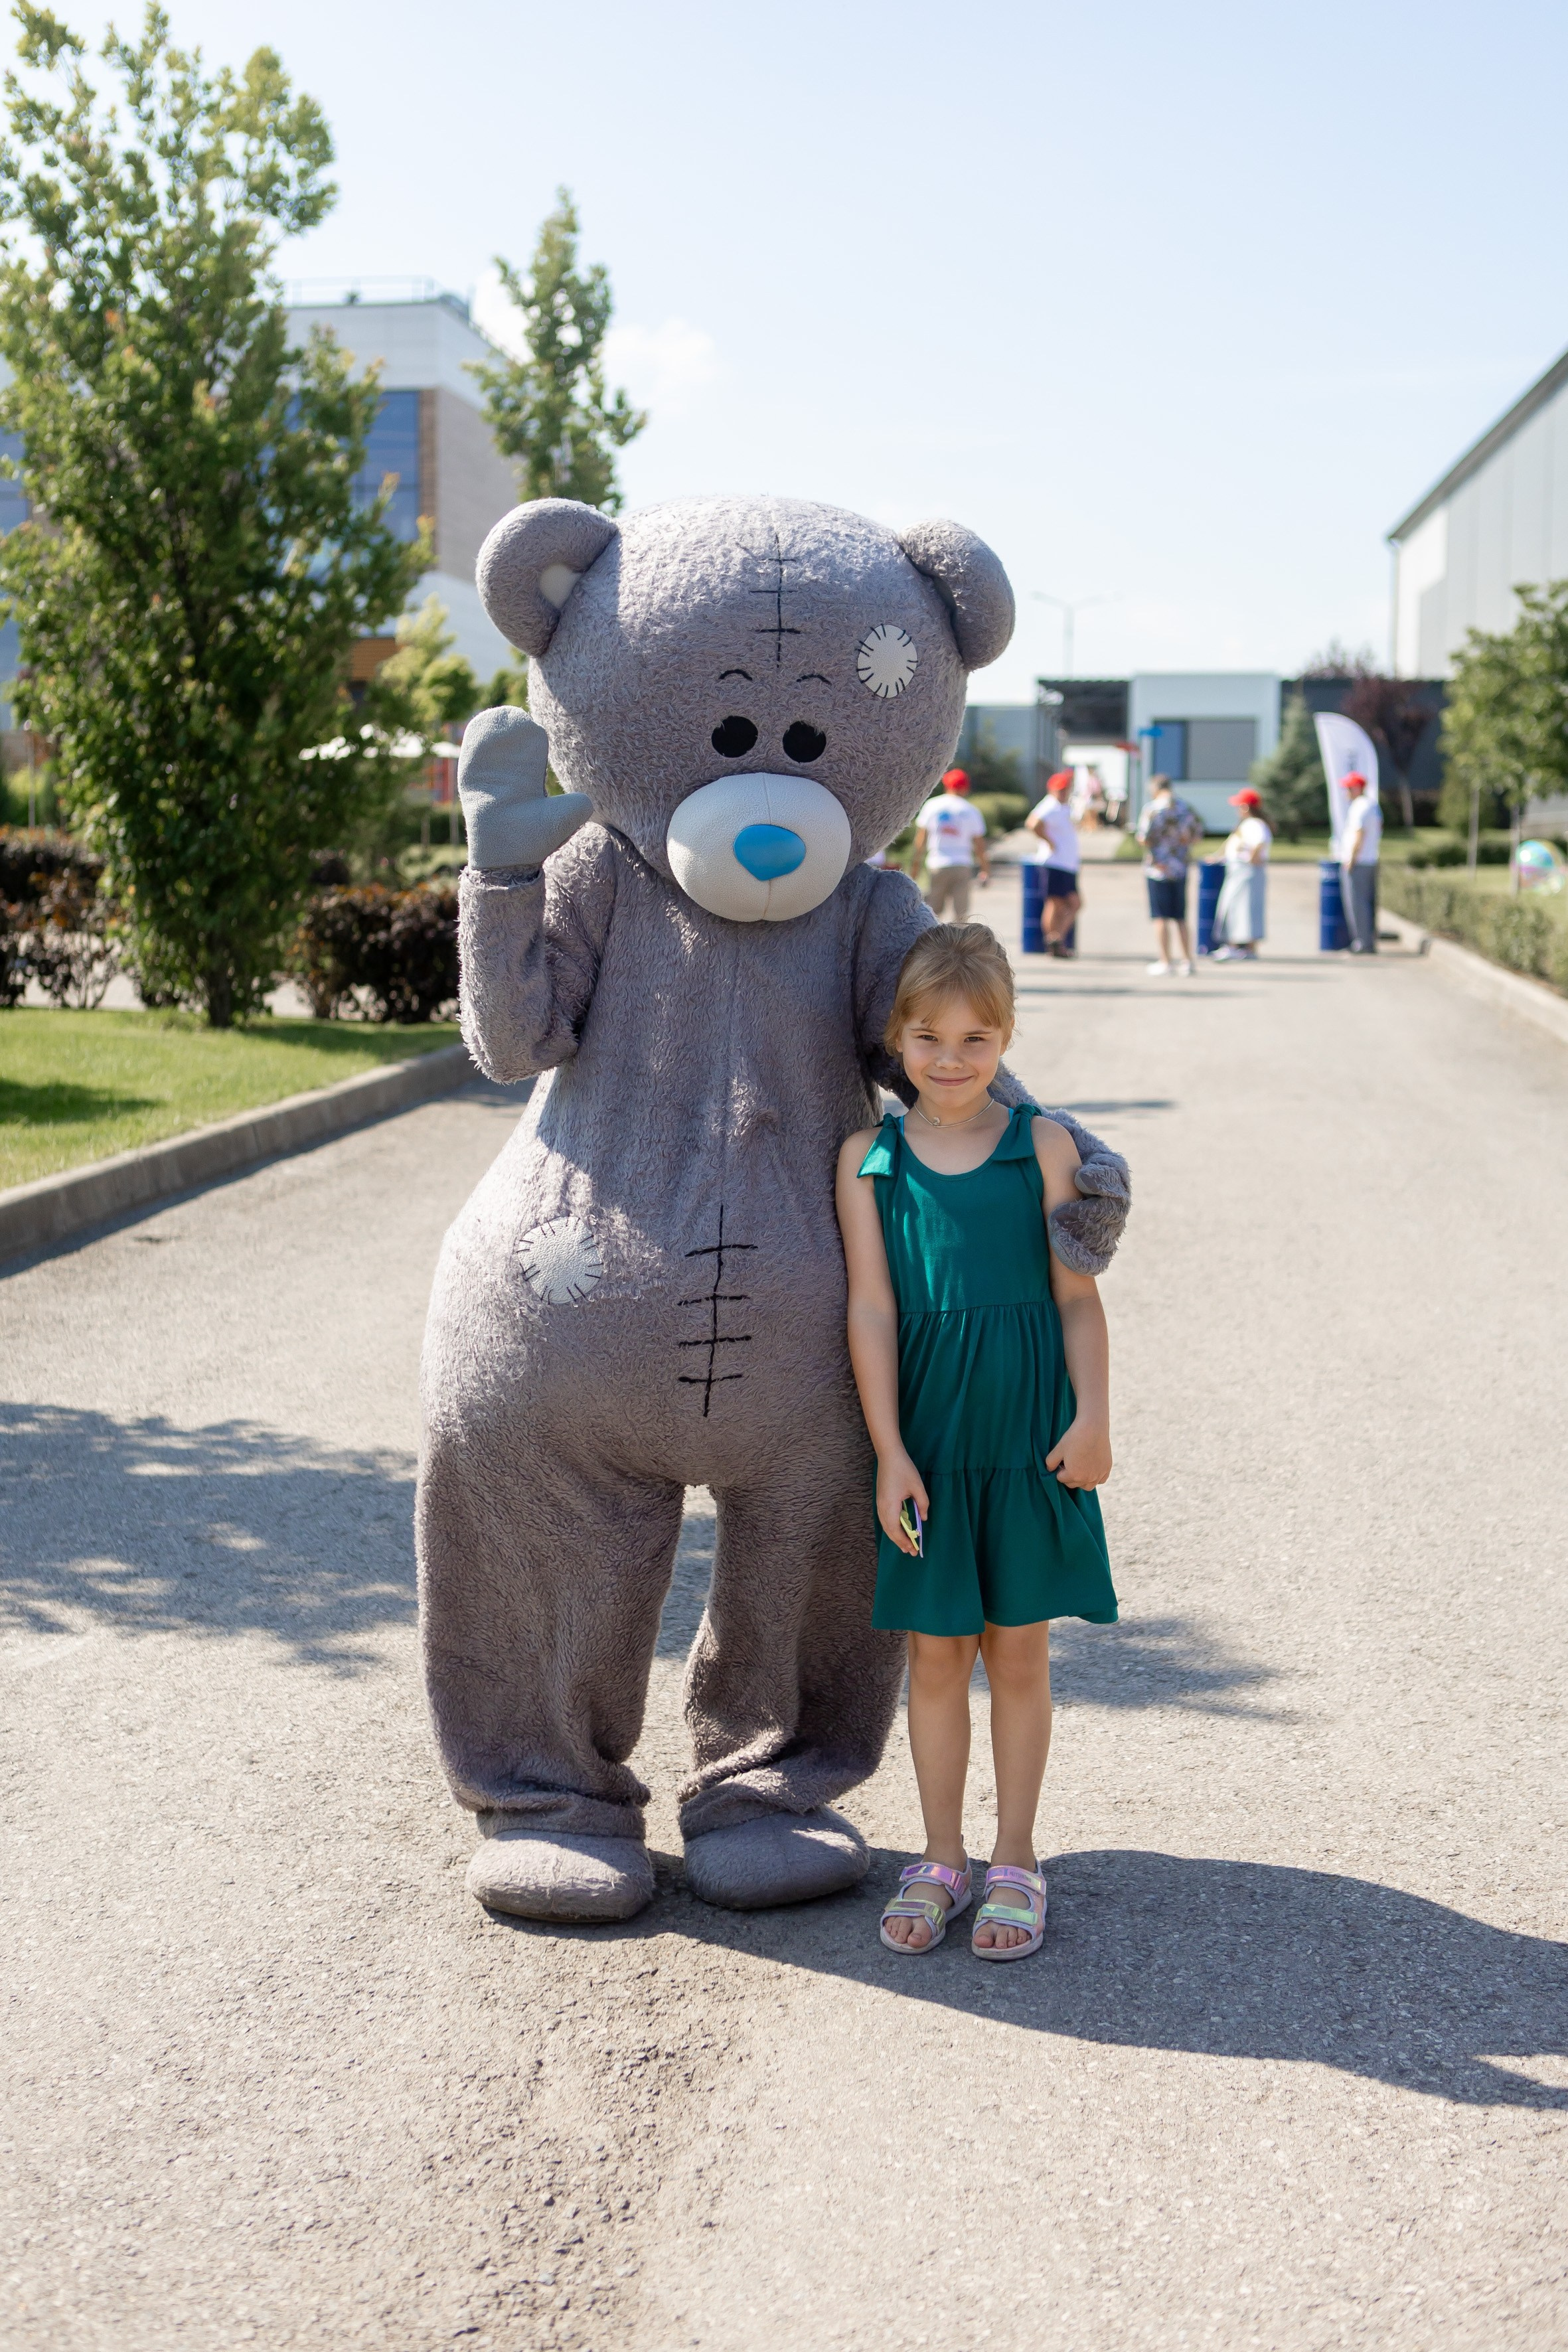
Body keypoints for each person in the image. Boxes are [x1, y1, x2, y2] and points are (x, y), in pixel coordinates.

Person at [835, 924, 1117, 1962]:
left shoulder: (1043, 1147)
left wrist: (1093, 1416)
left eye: (975, 1037)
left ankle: (1015, 1858)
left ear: (1006, 1037)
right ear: (894, 1037)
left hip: (1030, 1440)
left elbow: (1077, 1302)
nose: (950, 1059)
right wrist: (888, 1450)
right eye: (927, 1036)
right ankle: (941, 1855)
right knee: (937, 1653)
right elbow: (869, 1309)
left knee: (1020, 1652)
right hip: (933, 1448)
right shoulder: (867, 1160)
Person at [1135, 773, 1203, 975]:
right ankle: (1187, 961)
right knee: (1181, 916)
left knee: (1161, 917)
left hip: (1158, 869)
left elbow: (1143, 838)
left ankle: (1166, 961)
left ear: (1155, 789)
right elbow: (1197, 836)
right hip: (1180, 868)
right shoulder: (1185, 808)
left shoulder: (1152, 809)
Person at [913, 767, 989, 920]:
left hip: (937, 863)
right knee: (961, 916)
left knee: (932, 913)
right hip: (962, 864)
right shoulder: (971, 810)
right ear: (966, 787)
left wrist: (915, 865)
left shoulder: (932, 806)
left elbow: (921, 839)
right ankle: (959, 944)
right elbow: (979, 845)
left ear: (946, 785)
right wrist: (985, 869)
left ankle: (931, 943)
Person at [1024, 767, 1081, 956]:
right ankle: (1054, 940)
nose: (1062, 792)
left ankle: (1057, 939)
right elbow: (1032, 824)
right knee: (1056, 904)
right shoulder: (1049, 806)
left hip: (1066, 864)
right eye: (1059, 789)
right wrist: (1049, 842)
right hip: (1054, 863)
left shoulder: (1063, 806)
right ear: (1052, 789)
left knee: (1073, 904)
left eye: (1065, 789)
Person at [1210, 787, 1271, 961]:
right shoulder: (1247, 824)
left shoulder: (1255, 824)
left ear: (1246, 807)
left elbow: (1259, 843)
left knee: (1240, 908)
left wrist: (1251, 858)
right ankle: (1242, 947)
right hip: (1241, 870)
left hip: (1245, 871)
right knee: (1239, 908)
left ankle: (1237, 947)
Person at [1338, 769, 1381, 953]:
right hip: (1370, 859)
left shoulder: (1360, 807)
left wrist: (1351, 859)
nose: (1345, 792)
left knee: (1358, 903)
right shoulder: (1371, 805)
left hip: (1360, 861)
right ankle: (1367, 941)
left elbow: (1359, 834)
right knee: (1368, 903)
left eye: (1348, 788)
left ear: (1356, 788)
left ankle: (1363, 943)